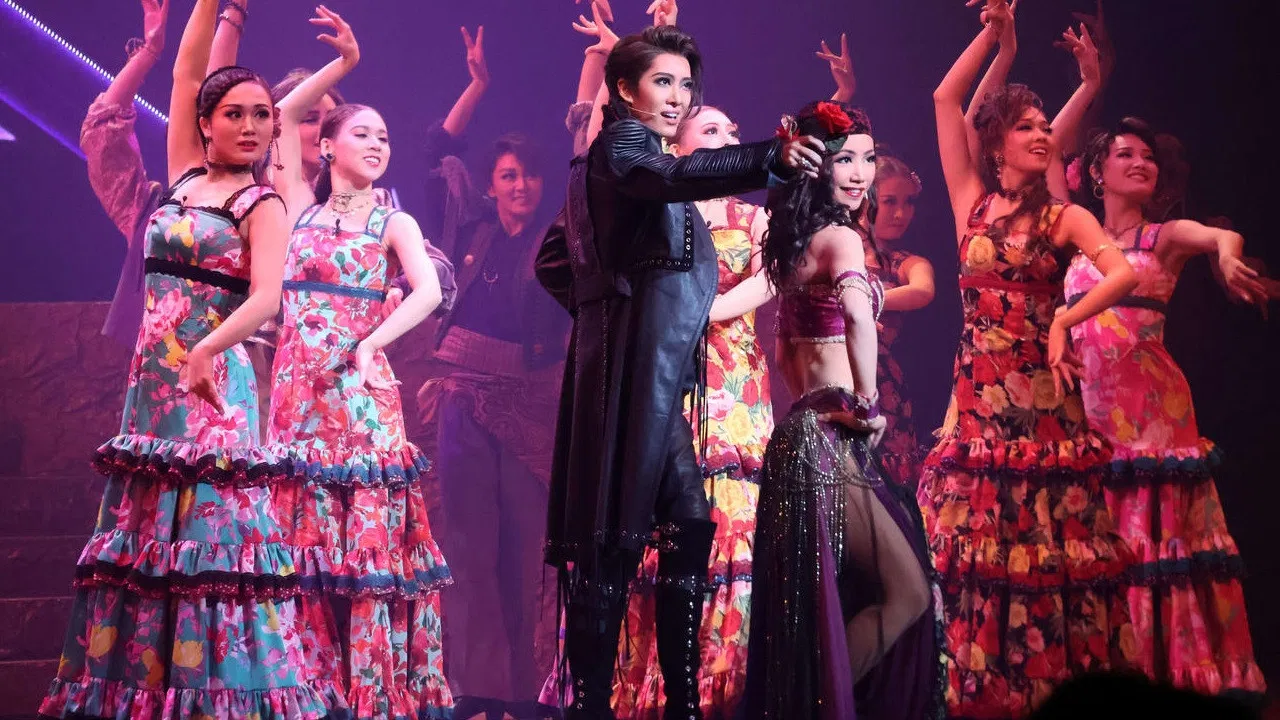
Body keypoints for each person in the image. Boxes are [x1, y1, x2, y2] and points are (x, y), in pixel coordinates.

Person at [533, 23, 821, 719]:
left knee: (688, 523)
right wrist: (614, 317)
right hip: (632, 380)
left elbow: (558, 260)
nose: (676, 97)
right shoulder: (623, 150)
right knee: (616, 539)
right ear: (625, 90)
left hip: (658, 378)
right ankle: (592, 706)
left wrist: (611, 305)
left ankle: (682, 702)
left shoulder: (643, 166)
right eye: (663, 82)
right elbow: (561, 255)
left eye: (685, 85)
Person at [39, 0, 317, 715]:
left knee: (209, 541)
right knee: (148, 538)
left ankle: (214, 699)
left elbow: (265, 299)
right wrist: (207, 9)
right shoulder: (185, 175)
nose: (250, 126)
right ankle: (144, 694)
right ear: (205, 121)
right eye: (235, 114)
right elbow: (187, 74)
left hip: (214, 384)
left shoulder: (263, 205)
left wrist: (207, 350)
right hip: (154, 384)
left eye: (262, 116)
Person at [917, 1, 1141, 716]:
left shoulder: (1064, 215)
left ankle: (1054, 690)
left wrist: (1067, 318)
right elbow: (946, 98)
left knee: (1047, 542)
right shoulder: (970, 202)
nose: (1044, 135)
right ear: (997, 145)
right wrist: (998, 40)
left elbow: (1123, 274)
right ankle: (982, 687)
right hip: (979, 401)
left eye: (1047, 126)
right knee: (980, 546)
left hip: (1043, 402)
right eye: (1028, 127)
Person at [269, 8, 454, 717]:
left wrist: (374, 342)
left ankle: (371, 693)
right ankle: (310, 690)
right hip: (298, 395)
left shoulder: (392, 220)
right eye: (362, 133)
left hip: (361, 395)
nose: (377, 144)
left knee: (367, 546)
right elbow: (284, 114)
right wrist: (344, 66)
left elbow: (429, 292)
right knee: (306, 542)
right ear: (326, 145)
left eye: (384, 137)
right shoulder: (297, 207)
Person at [742, 101, 940, 720]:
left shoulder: (791, 244)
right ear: (815, 165)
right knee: (907, 592)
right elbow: (857, 315)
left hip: (800, 432)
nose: (860, 172)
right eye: (844, 159)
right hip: (832, 431)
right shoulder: (844, 238)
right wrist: (868, 403)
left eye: (868, 158)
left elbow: (782, 351)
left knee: (829, 599)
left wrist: (812, 405)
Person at [1063, 117, 1267, 696]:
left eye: (1148, 157)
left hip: (1152, 410)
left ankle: (1167, 677)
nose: (1141, 163)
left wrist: (1228, 256)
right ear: (1096, 172)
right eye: (1125, 154)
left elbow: (1220, 237)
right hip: (1087, 410)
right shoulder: (1079, 237)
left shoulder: (1163, 236)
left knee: (1158, 540)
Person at [410, 23, 569, 718]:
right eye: (508, 175)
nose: (521, 184)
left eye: (529, 174)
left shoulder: (560, 239)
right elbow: (434, 152)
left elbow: (588, 166)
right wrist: (477, 85)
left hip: (534, 403)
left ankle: (527, 692)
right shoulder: (469, 230)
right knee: (469, 547)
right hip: (465, 398)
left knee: (524, 550)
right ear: (491, 185)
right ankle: (475, 690)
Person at [608, 103, 776, 720]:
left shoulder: (753, 217)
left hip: (734, 374)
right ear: (676, 150)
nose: (728, 137)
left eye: (733, 130)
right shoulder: (660, 210)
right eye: (711, 130)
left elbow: (770, 277)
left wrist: (706, 311)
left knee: (734, 508)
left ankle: (726, 677)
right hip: (669, 367)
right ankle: (656, 683)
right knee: (673, 511)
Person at [83, 0, 248, 347]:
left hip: (237, 362)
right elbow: (102, 129)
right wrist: (147, 53)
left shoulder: (260, 204)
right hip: (157, 362)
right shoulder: (151, 212)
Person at [866, 152, 935, 487]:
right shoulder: (831, 252)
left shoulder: (904, 262)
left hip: (882, 389)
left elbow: (923, 290)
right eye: (890, 201)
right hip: (828, 381)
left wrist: (864, 300)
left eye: (908, 202)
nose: (901, 213)